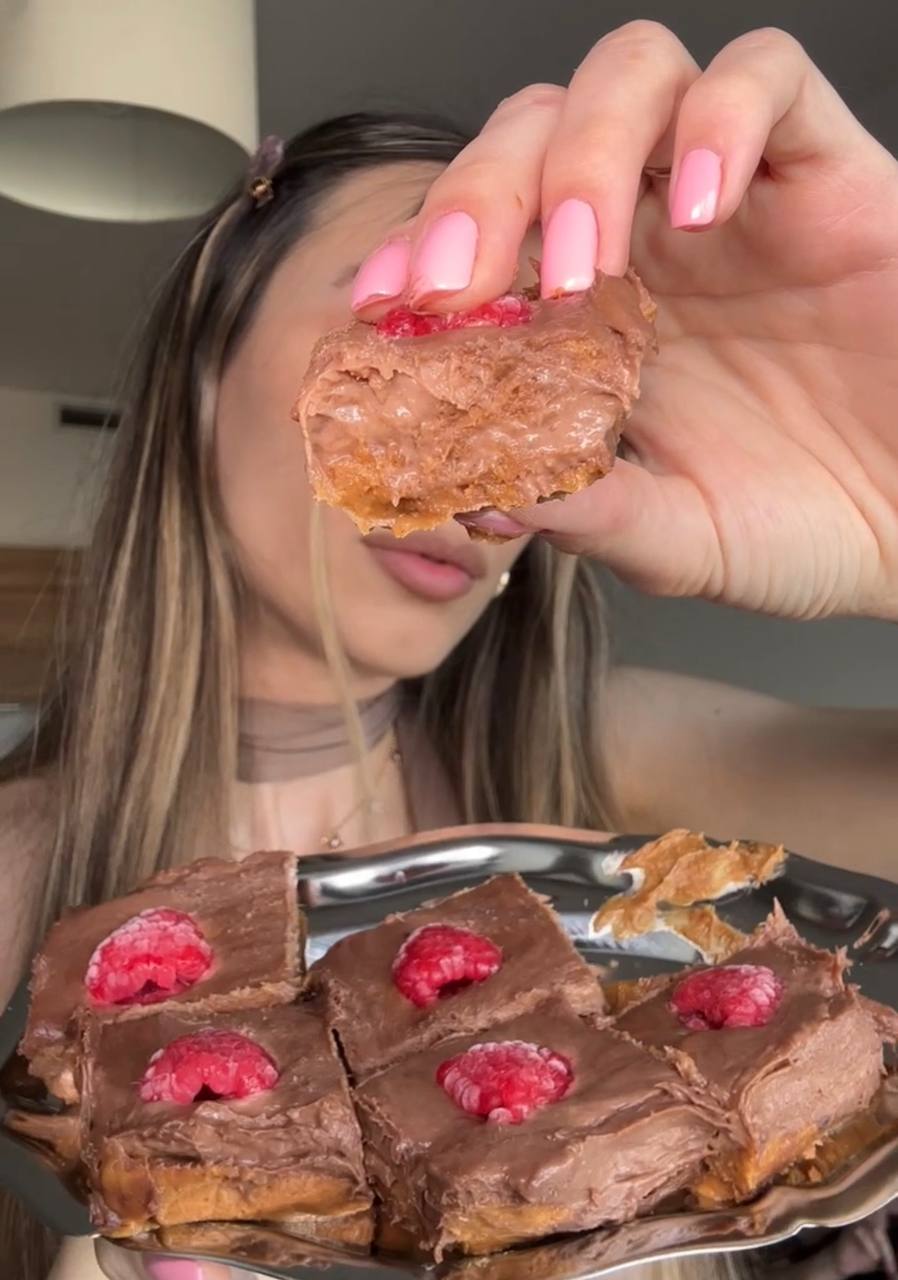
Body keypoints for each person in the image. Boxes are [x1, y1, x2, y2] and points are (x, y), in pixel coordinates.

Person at [1, 19, 897, 1280]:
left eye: (535, 363)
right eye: (418, 323)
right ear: (210, 350)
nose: (479, 447)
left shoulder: (630, 784)